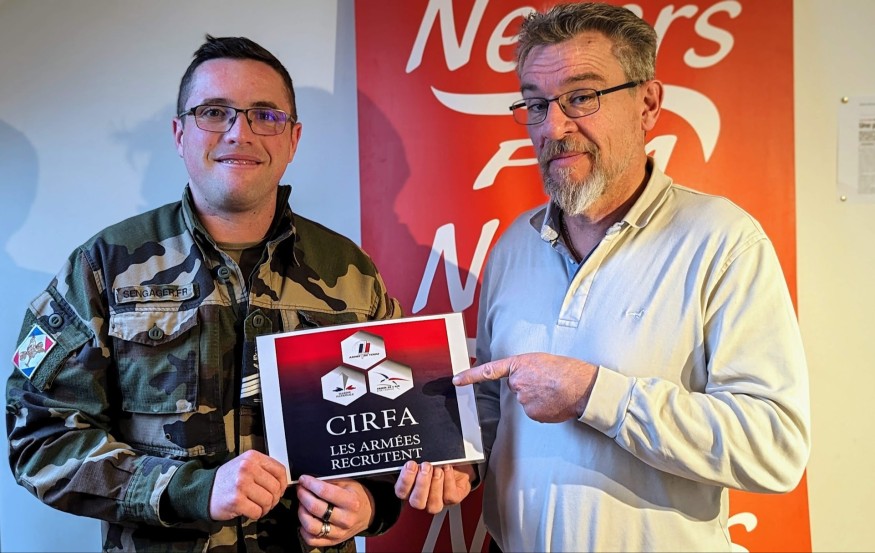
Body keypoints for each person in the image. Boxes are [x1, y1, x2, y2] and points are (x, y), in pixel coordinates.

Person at [395, 2, 811, 552]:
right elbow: (494, 402)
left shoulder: (724, 241)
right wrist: (465, 460)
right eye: (537, 104)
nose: (554, 127)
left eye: (582, 97)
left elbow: (775, 447)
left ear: (648, 104)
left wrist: (595, 393)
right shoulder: (513, 247)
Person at [6, 35, 403, 553]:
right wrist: (188, 491)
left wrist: (369, 504)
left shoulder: (351, 273)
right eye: (214, 112)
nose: (240, 132)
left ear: (293, 139)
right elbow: (40, 438)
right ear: (180, 133)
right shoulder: (103, 266)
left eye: (266, 115)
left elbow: (400, 431)